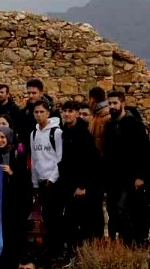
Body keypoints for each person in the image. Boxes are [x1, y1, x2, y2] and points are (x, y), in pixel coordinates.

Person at [102, 89, 150, 246]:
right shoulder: (109, 126)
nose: (112, 107)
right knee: (114, 211)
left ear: (123, 103)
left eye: (115, 103)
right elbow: (107, 152)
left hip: (130, 178)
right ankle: (122, 243)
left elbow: (143, 151)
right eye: (110, 104)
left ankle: (134, 243)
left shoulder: (133, 125)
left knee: (127, 211)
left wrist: (141, 176)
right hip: (114, 178)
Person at [59, 100, 101, 246]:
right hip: (67, 183)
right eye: (65, 111)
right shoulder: (63, 132)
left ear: (76, 114)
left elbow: (89, 162)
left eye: (70, 111)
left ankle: (84, 253)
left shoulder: (84, 135)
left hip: (81, 186)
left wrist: (83, 186)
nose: (67, 114)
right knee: (69, 220)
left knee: (84, 221)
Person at [29, 99, 64, 259]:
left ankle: (57, 249)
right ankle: (49, 248)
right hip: (41, 181)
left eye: (41, 111)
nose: (38, 114)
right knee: (46, 217)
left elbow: (60, 158)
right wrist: (35, 183)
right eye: (36, 112)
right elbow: (35, 160)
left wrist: (52, 178)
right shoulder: (33, 134)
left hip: (54, 182)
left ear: (48, 113)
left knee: (56, 216)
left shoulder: (56, 132)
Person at [0, 125, 29, 267]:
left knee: (14, 228)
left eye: (2, 137)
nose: (0, 140)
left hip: (14, 198)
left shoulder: (16, 154)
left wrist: (11, 172)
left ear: (9, 137)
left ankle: (15, 257)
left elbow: (25, 178)